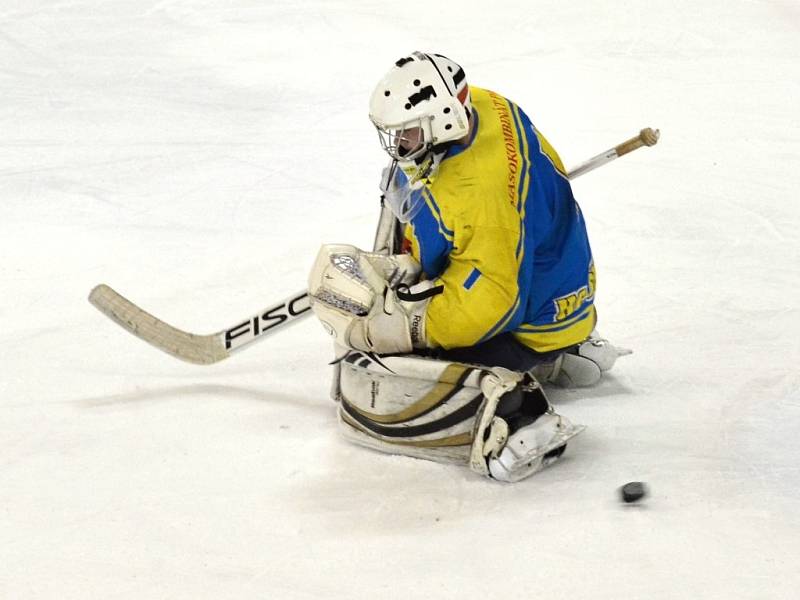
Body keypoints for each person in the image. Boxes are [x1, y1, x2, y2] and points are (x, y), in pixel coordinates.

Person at [307, 52, 627, 482]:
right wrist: (413, 262)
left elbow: (495, 301)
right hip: (557, 287)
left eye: (407, 134)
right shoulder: (486, 106)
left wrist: (407, 327)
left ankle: (519, 417)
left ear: (442, 117)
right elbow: (448, 212)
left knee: (379, 370)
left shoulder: (481, 195)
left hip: (527, 318)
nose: (399, 143)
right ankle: (567, 350)